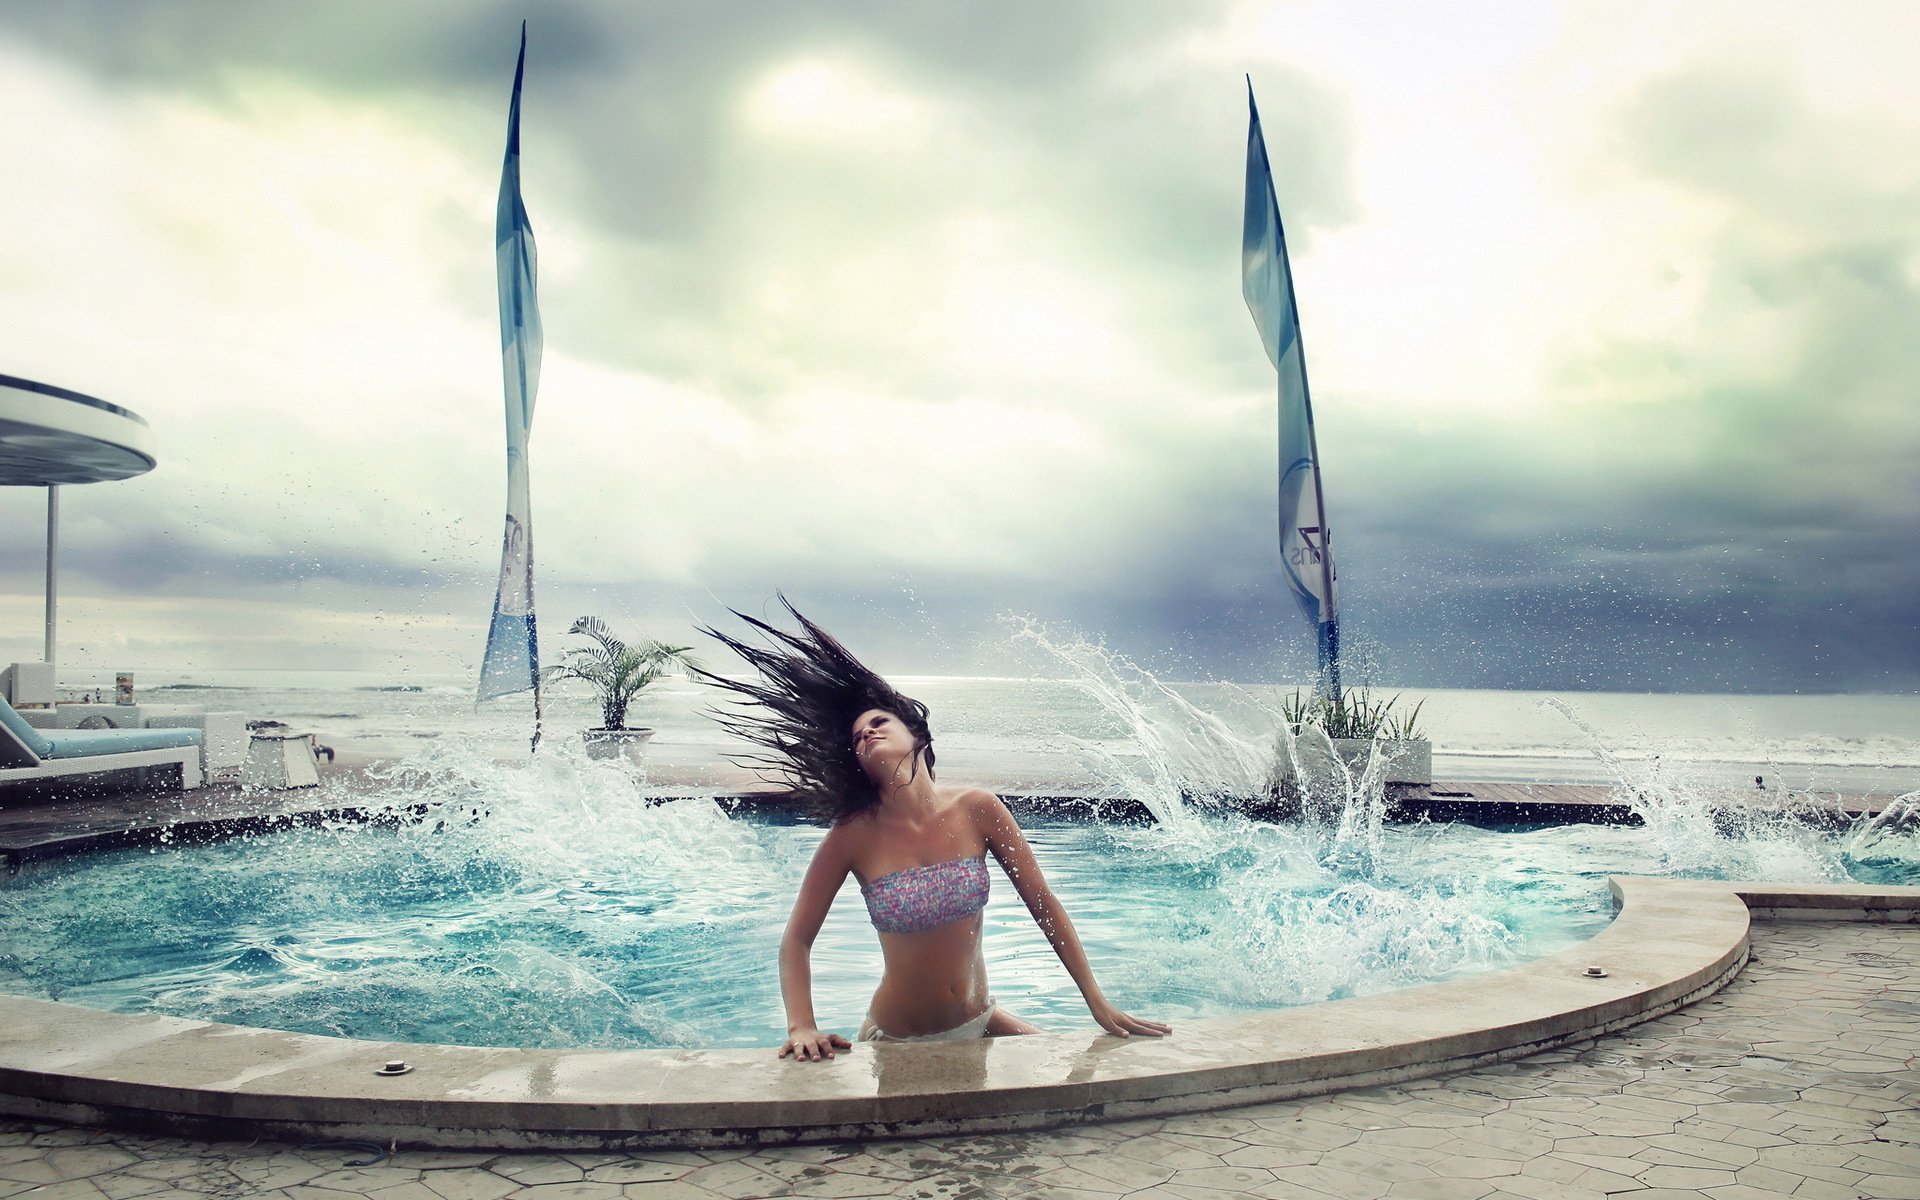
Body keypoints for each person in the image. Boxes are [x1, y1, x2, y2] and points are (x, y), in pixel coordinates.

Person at [699, 600, 1171, 1061]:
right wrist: (802, 1024)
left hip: (982, 1020)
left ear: (917, 734)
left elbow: (1044, 906)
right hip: (897, 1041)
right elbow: (796, 940)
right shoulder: (852, 836)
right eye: (858, 737)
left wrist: (1096, 1001)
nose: (866, 735)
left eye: (878, 723)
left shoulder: (979, 808)